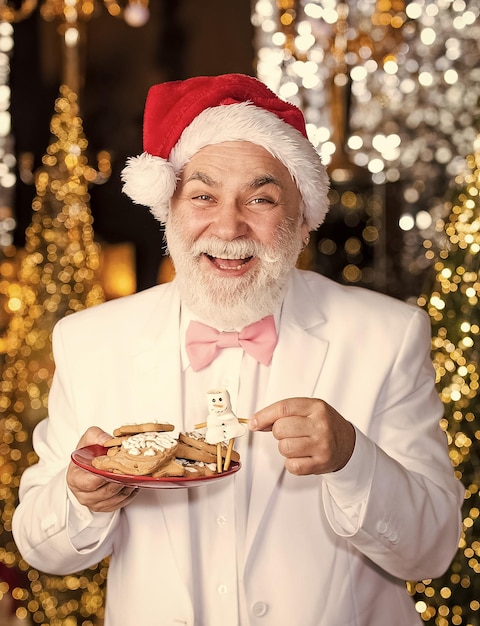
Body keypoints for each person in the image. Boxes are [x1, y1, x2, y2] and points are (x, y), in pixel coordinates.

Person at [12, 74, 464, 626]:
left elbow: (433, 550)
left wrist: (352, 458)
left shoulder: (387, 337)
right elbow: (40, 546)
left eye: (262, 198)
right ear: (169, 211)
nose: (228, 226)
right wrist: (80, 497)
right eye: (202, 196)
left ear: (302, 224)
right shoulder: (90, 340)